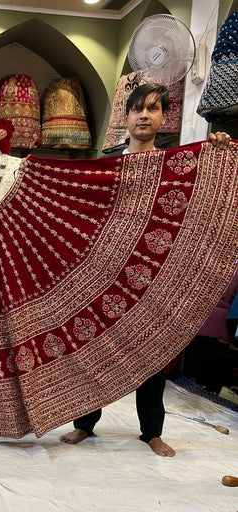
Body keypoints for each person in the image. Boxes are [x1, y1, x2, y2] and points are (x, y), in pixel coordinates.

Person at [60, 82, 231, 457]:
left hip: (154, 276)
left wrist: (217, 151)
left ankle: (151, 432)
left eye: (153, 109)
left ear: (162, 117)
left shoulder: (177, 166)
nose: (144, 115)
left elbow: (202, 202)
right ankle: (84, 425)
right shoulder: (109, 165)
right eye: (137, 109)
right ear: (126, 116)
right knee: (93, 353)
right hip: (103, 274)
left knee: (150, 354)